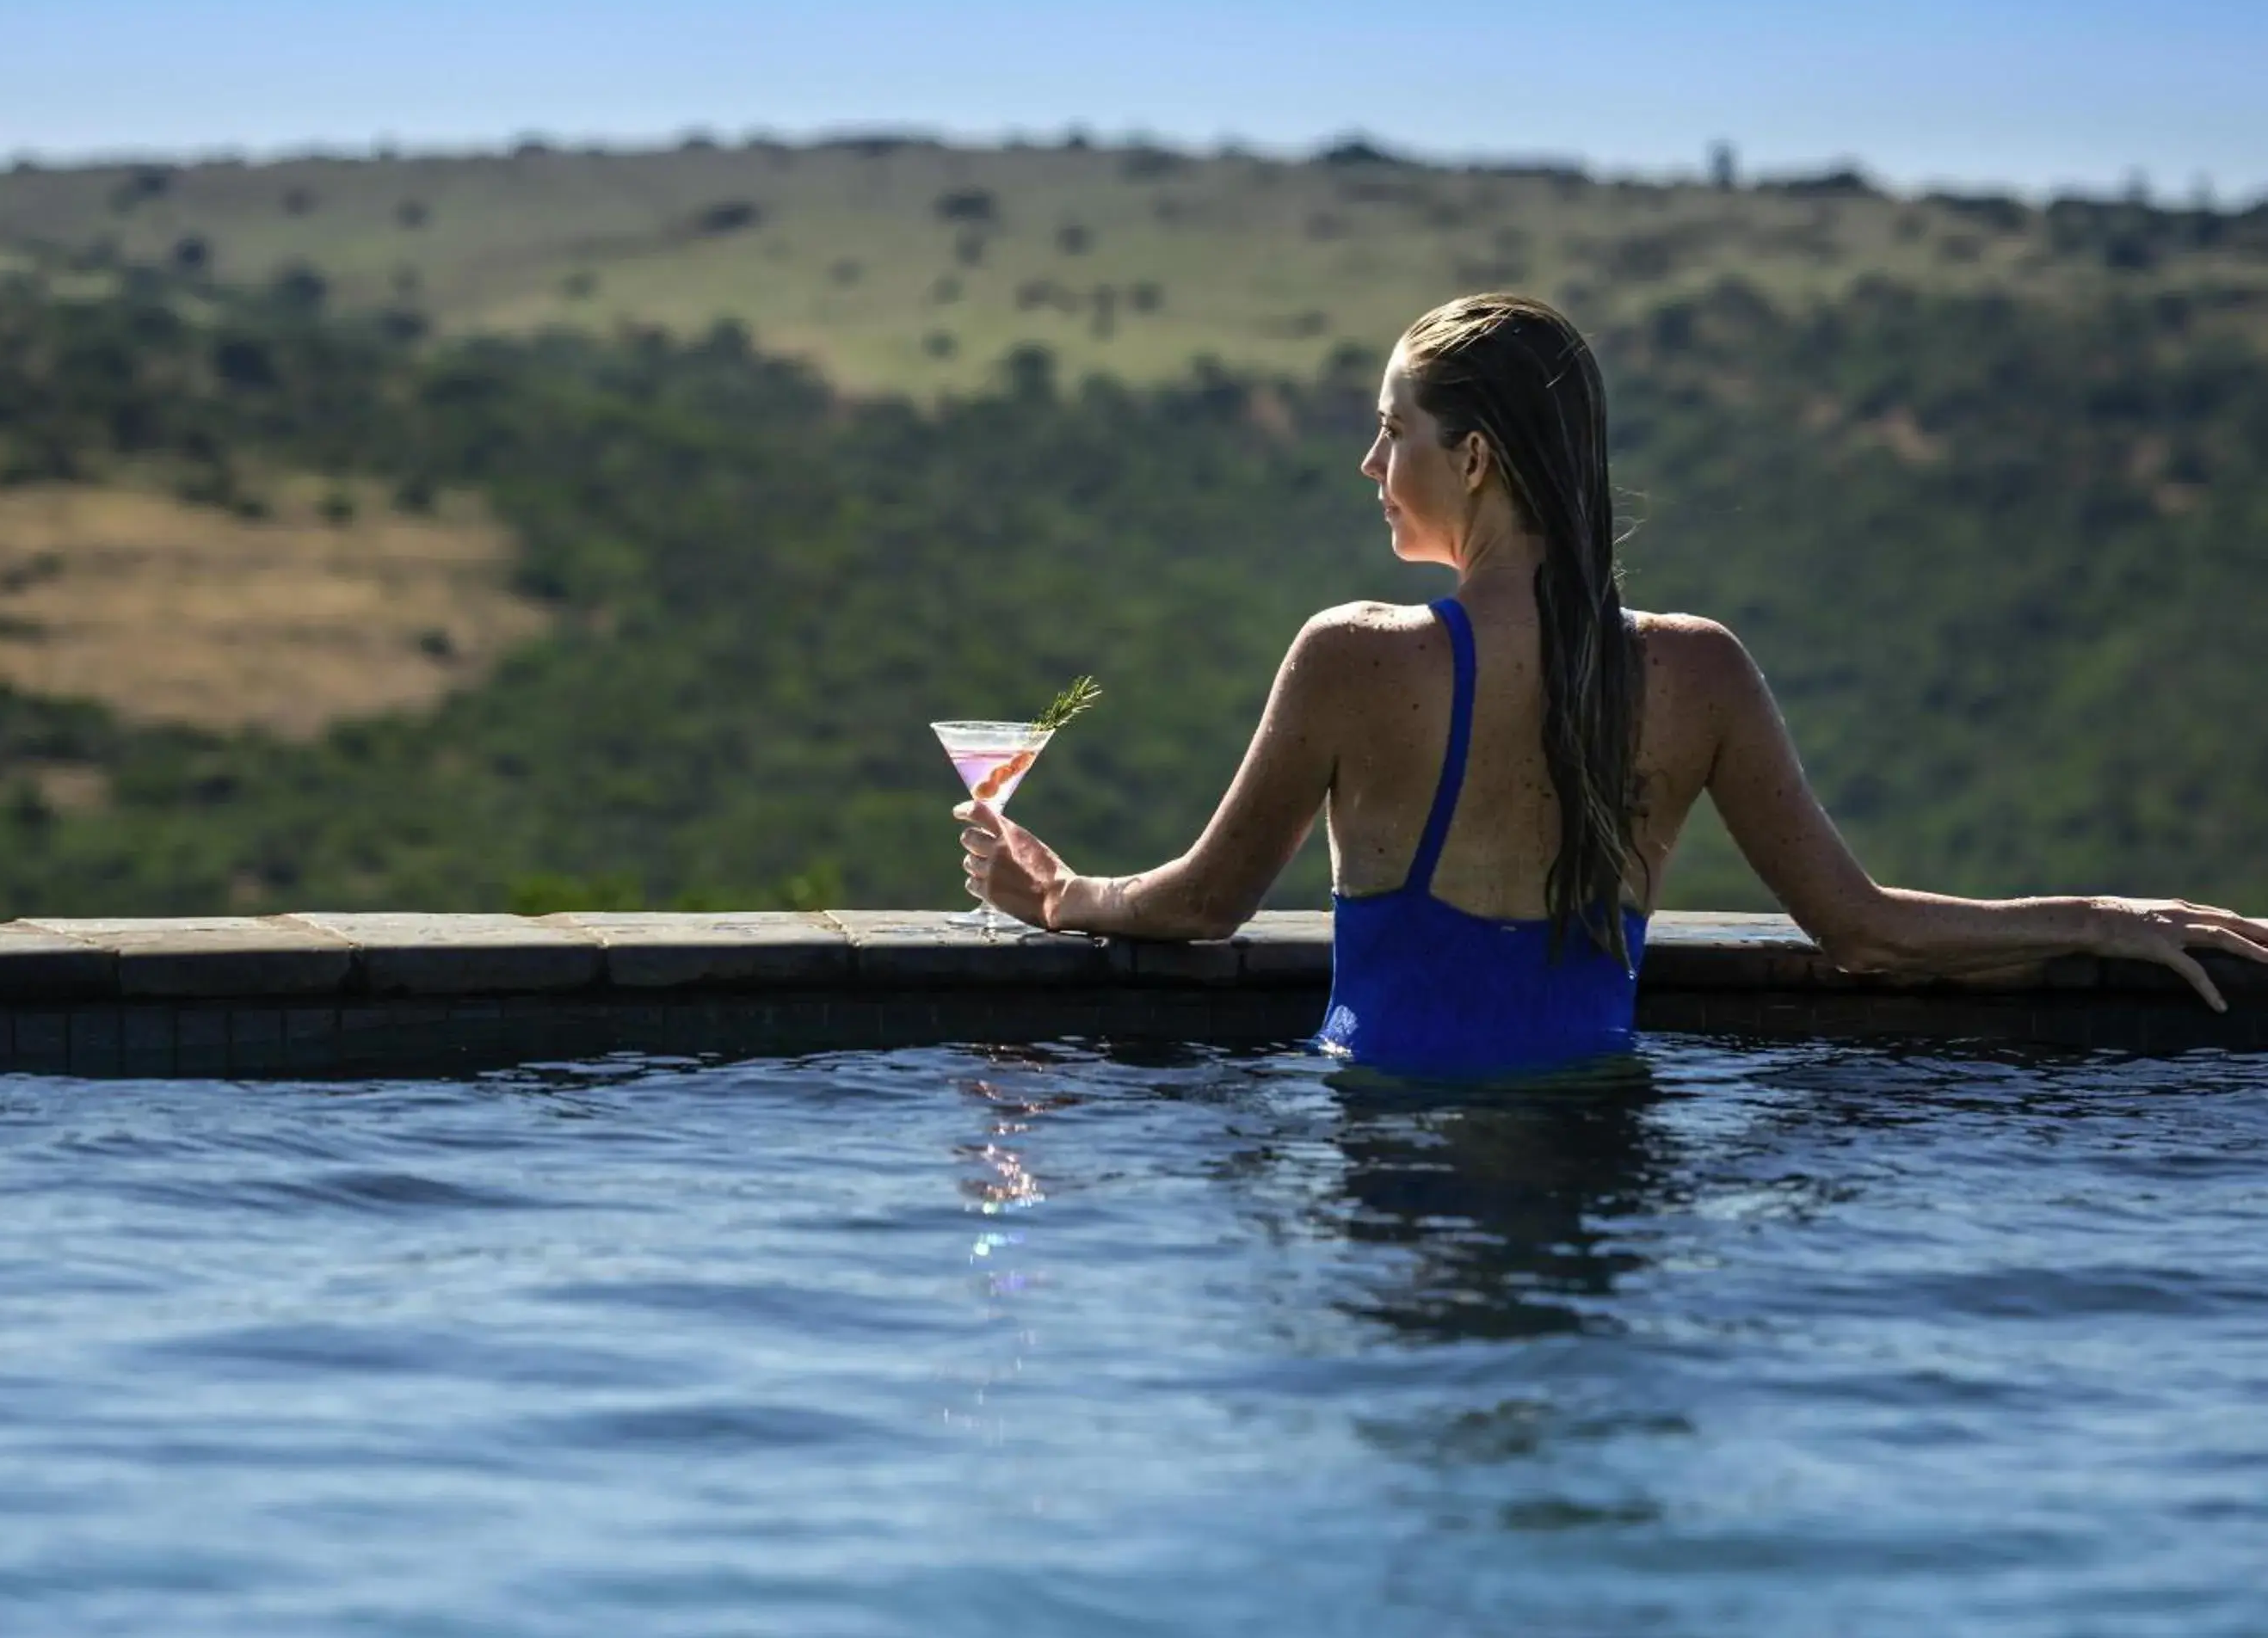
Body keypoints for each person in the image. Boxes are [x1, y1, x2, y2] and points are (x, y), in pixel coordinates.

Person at [956, 291, 2268, 1076]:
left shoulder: (1354, 657)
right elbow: (1865, 928)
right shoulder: (1697, 672)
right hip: (1603, 1162)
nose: (1369, 463)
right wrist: (2095, 916)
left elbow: (1200, 903)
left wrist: (1059, 892)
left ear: (1472, 459)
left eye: (1392, 430)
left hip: (1391, 1170)